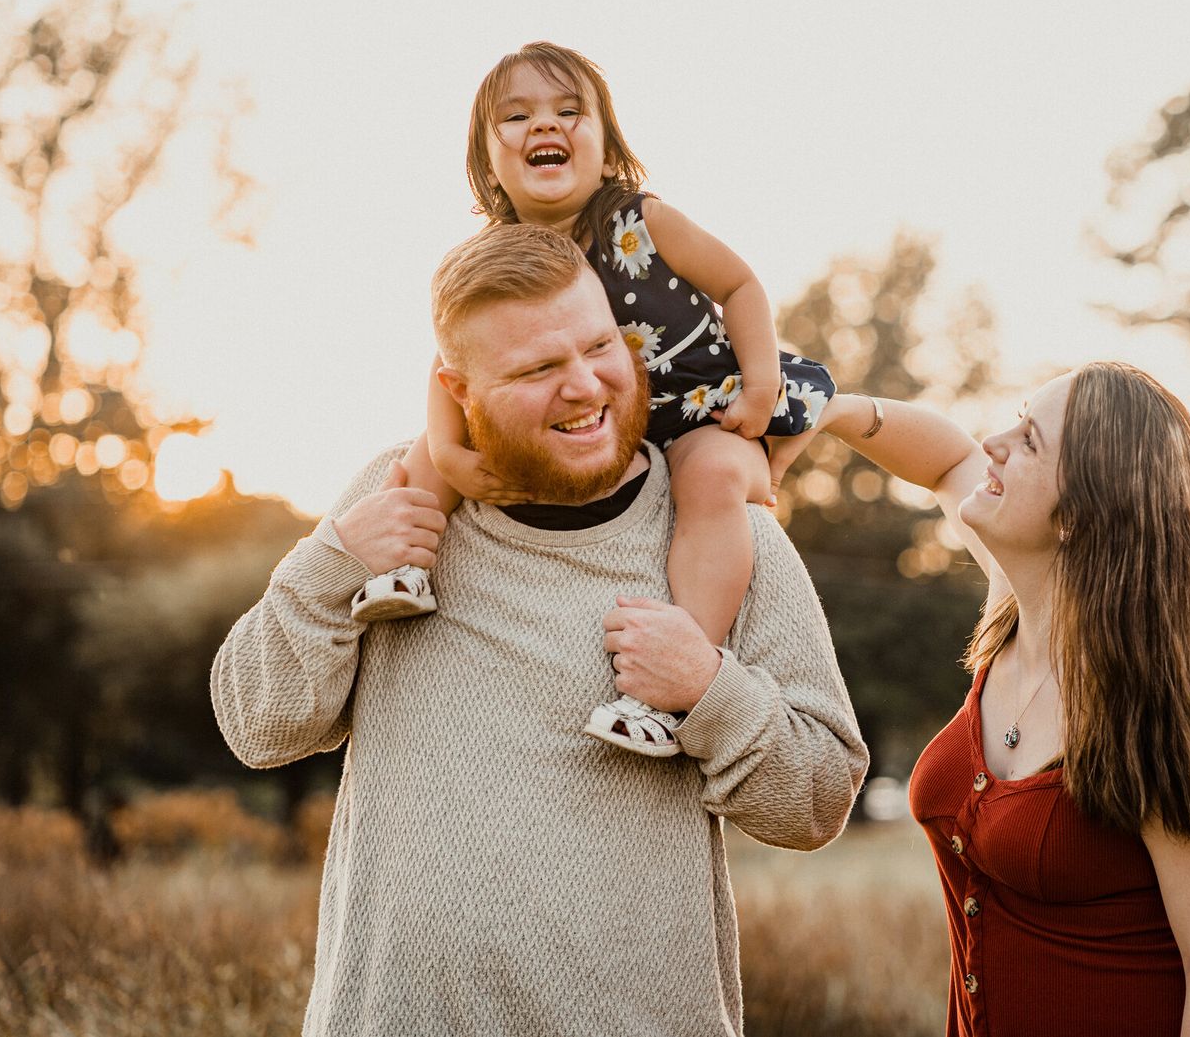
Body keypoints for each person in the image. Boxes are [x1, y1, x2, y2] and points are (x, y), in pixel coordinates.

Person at [210, 223, 866, 1036]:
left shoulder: (730, 537)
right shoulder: (395, 500)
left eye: (600, 347)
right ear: (458, 391)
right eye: (538, 368)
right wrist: (333, 560)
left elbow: (818, 800)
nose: (586, 386)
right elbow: (258, 727)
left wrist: (710, 689)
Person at [350, 41, 836, 761]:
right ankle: (407, 567)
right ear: (490, 161)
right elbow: (453, 361)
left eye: (568, 111)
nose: (545, 124)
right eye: (517, 116)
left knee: (710, 482)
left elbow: (740, 286)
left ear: (607, 147)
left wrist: (762, 382)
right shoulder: (497, 252)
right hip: (587, 415)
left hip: (697, 401)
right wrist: (450, 450)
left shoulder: (643, 220)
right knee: (429, 449)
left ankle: (670, 680)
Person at [818, 366, 1190, 1036]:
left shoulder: (1168, 710)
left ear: (1079, 516)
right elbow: (947, 456)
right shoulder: (1007, 619)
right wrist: (828, 408)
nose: (995, 440)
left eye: (1030, 440)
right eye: (1013, 420)